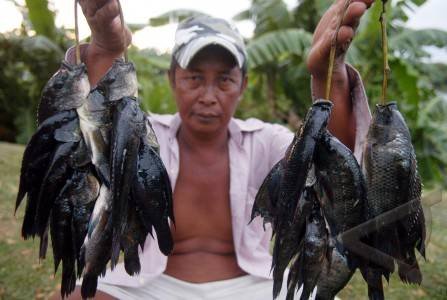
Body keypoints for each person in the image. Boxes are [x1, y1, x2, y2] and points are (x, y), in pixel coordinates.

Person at [52, 0, 375, 299]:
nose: (208, 95)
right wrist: (105, 50)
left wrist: (328, 78)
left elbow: (337, 170)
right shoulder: (143, 137)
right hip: (146, 285)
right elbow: (96, 131)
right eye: (194, 78)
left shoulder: (266, 141)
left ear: (243, 84)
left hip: (255, 286)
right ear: (172, 79)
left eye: (224, 80)